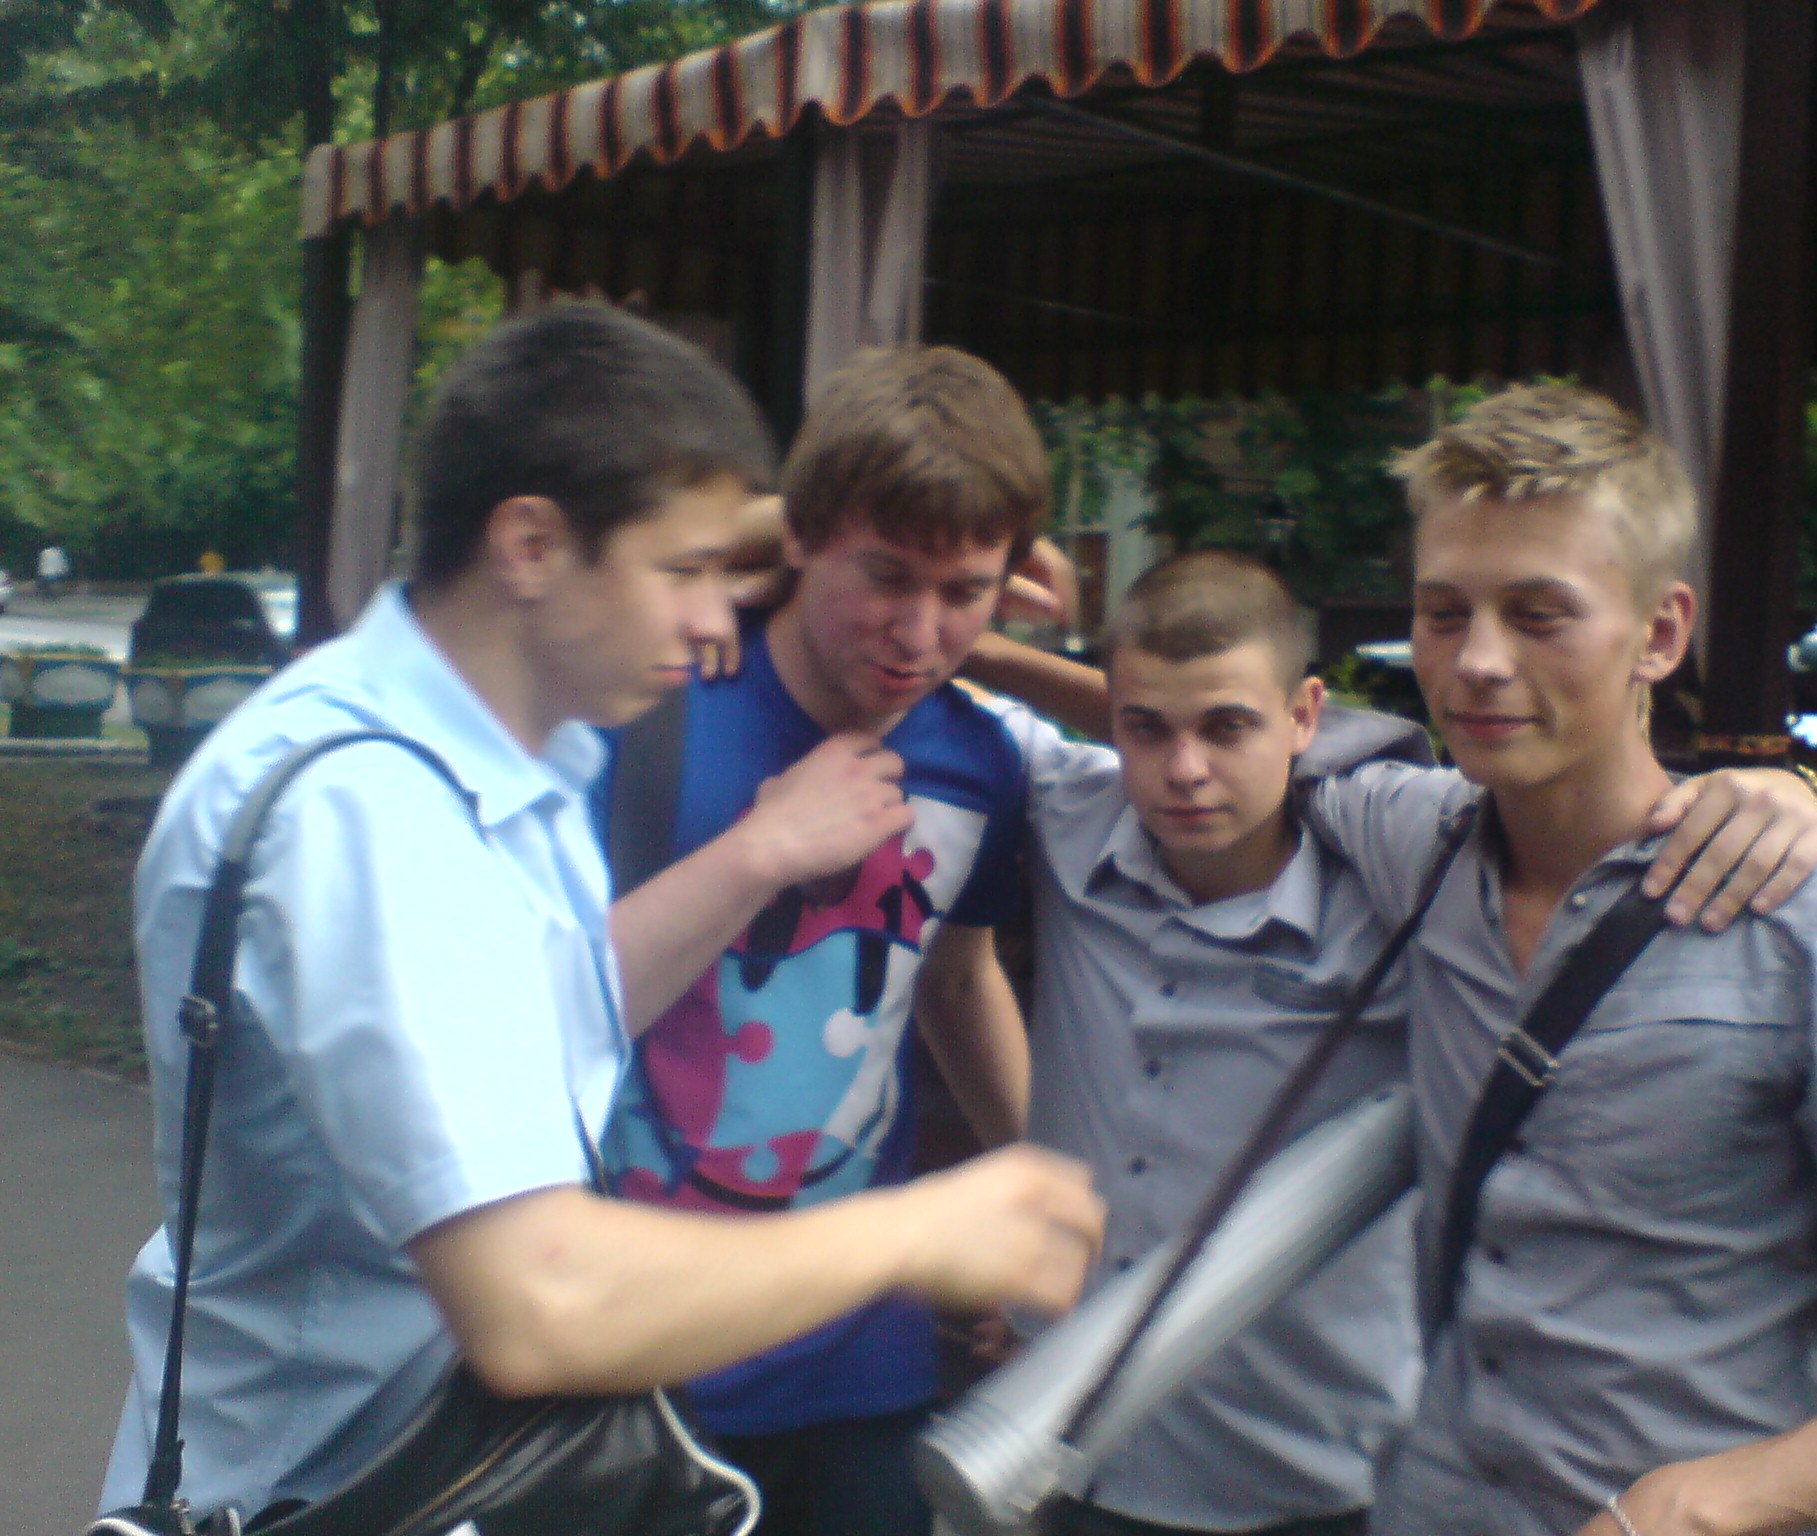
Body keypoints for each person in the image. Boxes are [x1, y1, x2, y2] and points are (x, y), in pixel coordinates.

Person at [100, 305, 1104, 1528]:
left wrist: (854, 534)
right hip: (329, 1492)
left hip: (437, 1471)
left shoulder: (496, 768)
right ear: (529, 546)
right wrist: (916, 1235)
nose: (716, 617)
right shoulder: (372, 818)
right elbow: (539, 1305)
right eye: (683, 572)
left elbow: (559, 1027)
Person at [957, 550, 1817, 1536]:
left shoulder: (1412, 882)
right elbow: (902, 675)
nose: (1185, 769)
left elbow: (1585, 822)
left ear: (1304, 716)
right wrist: (973, 639)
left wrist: (1788, 786)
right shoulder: (1065, 809)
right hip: (1058, 1450)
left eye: (1228, 728)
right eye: (1145, 729)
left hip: (1311, 1472)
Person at [1299, 383, 1817, 1536]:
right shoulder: (1423, 840)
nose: (1476, 661)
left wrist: (1703, 1504)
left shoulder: (1815, 930)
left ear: (1658, 633)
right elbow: (1217, 735)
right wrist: (993, 636)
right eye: (1442, 613)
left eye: (1537, 614)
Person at [599, 344, 1059, 1536]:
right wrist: (760, 850)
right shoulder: (649, 712)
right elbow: (544, 1011)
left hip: (859, 1362)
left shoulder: (978, 760)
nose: (918, 631)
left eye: (963, 592)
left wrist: (1040, 1191)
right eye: (885, 576)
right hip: (627, 1350)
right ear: (797, 536)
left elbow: (957, 982)